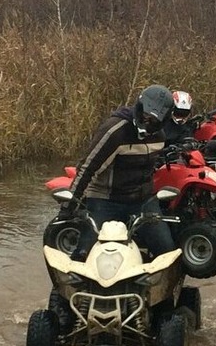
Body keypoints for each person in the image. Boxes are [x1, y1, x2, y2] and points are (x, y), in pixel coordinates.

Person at [60, 84, 177, 260]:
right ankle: (62, 287)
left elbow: (153, 168)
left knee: (167, 252)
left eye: (154, 120)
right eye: (145, 116)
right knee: (84, 252)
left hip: (142, 201)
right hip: (106, 199)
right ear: (139, 107)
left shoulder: (160, 137)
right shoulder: (115, 131)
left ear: (164, 120)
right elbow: (87, 168)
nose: (147, 121)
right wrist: (69, 207)